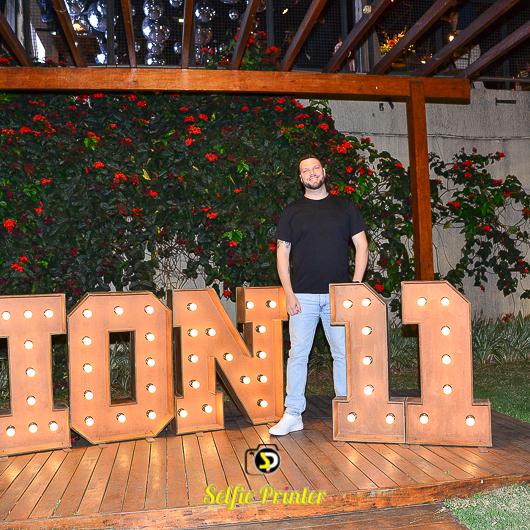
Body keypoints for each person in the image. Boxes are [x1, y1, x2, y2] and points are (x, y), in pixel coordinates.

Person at [269, 155, 368, 436]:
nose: (312, 173)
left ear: (323, 172)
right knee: (297, 355)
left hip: (338, 295)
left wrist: (354, 286)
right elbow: (282, 253)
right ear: (301, 178)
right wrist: (288, 293)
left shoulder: (344, 207)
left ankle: (346, 412)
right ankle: (293, 414)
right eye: (306, 170)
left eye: (315, 168)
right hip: (302, 296)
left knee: (342, 354)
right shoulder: (292, 211)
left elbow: (362, 246)